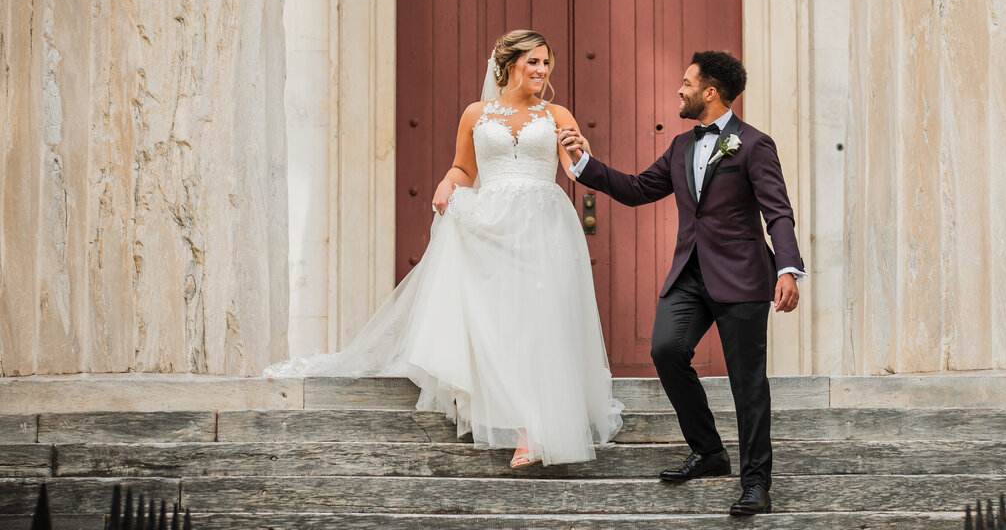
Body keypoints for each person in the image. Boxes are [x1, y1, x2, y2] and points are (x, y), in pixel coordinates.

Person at [266, 30, 622, 468]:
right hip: (489, 225)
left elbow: (573, 169)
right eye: (533, 62)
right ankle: (507, 412)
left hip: (542, 225)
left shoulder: (558, 113)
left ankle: (533, 430)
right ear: (509, 64)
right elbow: (464, 168)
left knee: (539, 322)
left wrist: (581, 151)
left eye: (546, 63)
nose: (542, 71)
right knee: (498, 323)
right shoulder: (476, 113)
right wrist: (445, 181)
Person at [556, 50, 803, 515]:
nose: (679, 89)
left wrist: (788, 267)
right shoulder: (680, 147)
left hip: (743, 277)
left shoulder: (753, 144)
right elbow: (636, 190)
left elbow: (778, 211)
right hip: (689, 276)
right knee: (666, 351)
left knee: (747, 382)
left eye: (687, 83)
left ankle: (756, 482)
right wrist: (584, 163)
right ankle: (709, 451)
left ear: (710, 91)